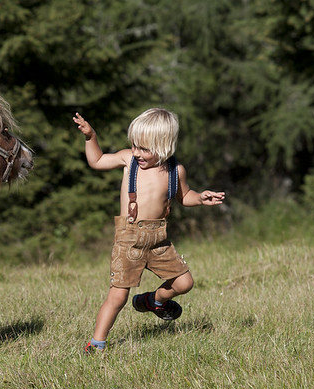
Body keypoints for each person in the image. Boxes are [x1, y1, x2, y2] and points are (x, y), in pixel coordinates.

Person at [73, 108, 225, 353]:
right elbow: (97, 161)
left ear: (165, 147)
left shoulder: (176, 170)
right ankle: (97, 343)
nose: (137, 153)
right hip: (129, 240)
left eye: (144, 149)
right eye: (134, 145)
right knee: (118, 297)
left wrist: (201, 198)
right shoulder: (128, 161)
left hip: (159, 240)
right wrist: (91, 137)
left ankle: (153, 300)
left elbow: (184, 196)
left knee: (184, 283)